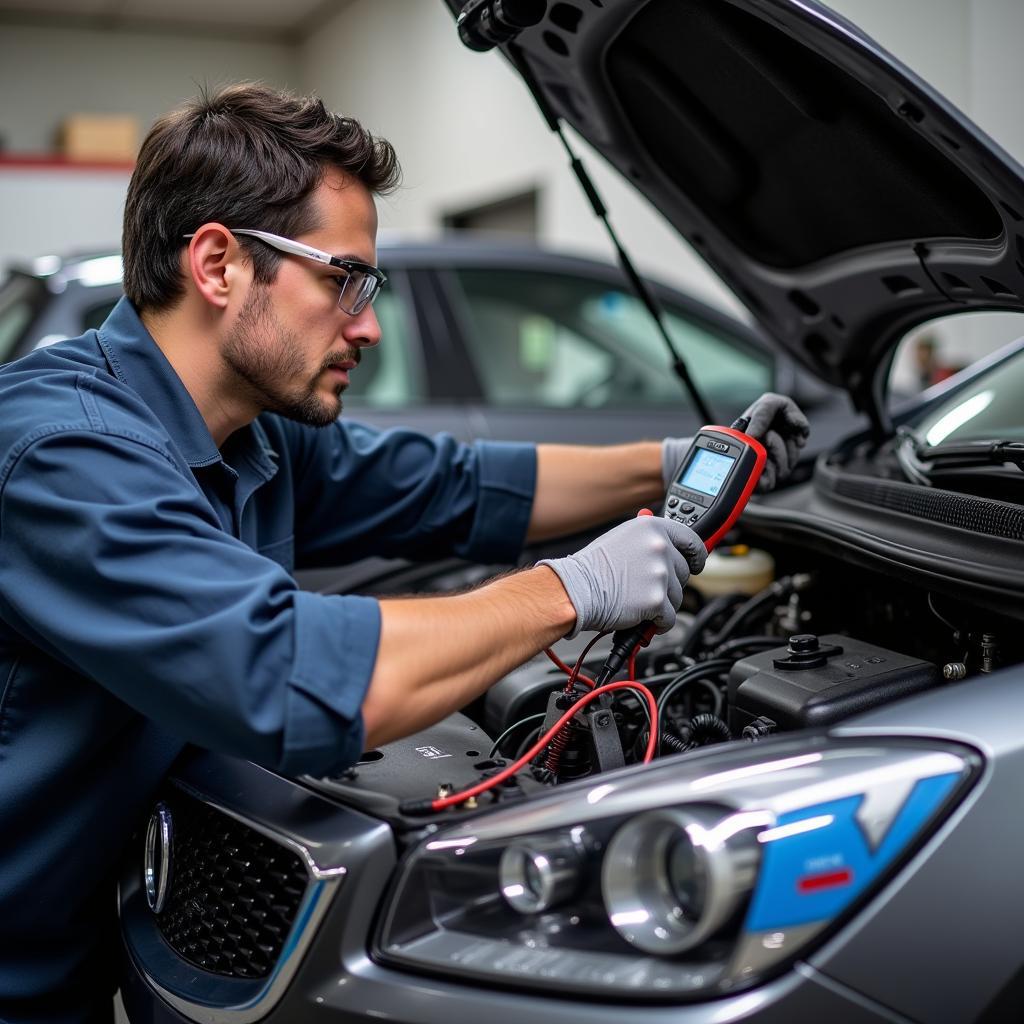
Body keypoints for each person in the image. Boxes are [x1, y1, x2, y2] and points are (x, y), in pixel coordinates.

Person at [0, 83, 809, 1023]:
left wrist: (676, 460)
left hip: (98, 948)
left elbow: (458, 485)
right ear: (219, 265)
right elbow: (285, 671)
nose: (368, 324)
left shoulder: (247, 432)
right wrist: (571, 588)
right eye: (345, 279)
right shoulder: (60, 452)